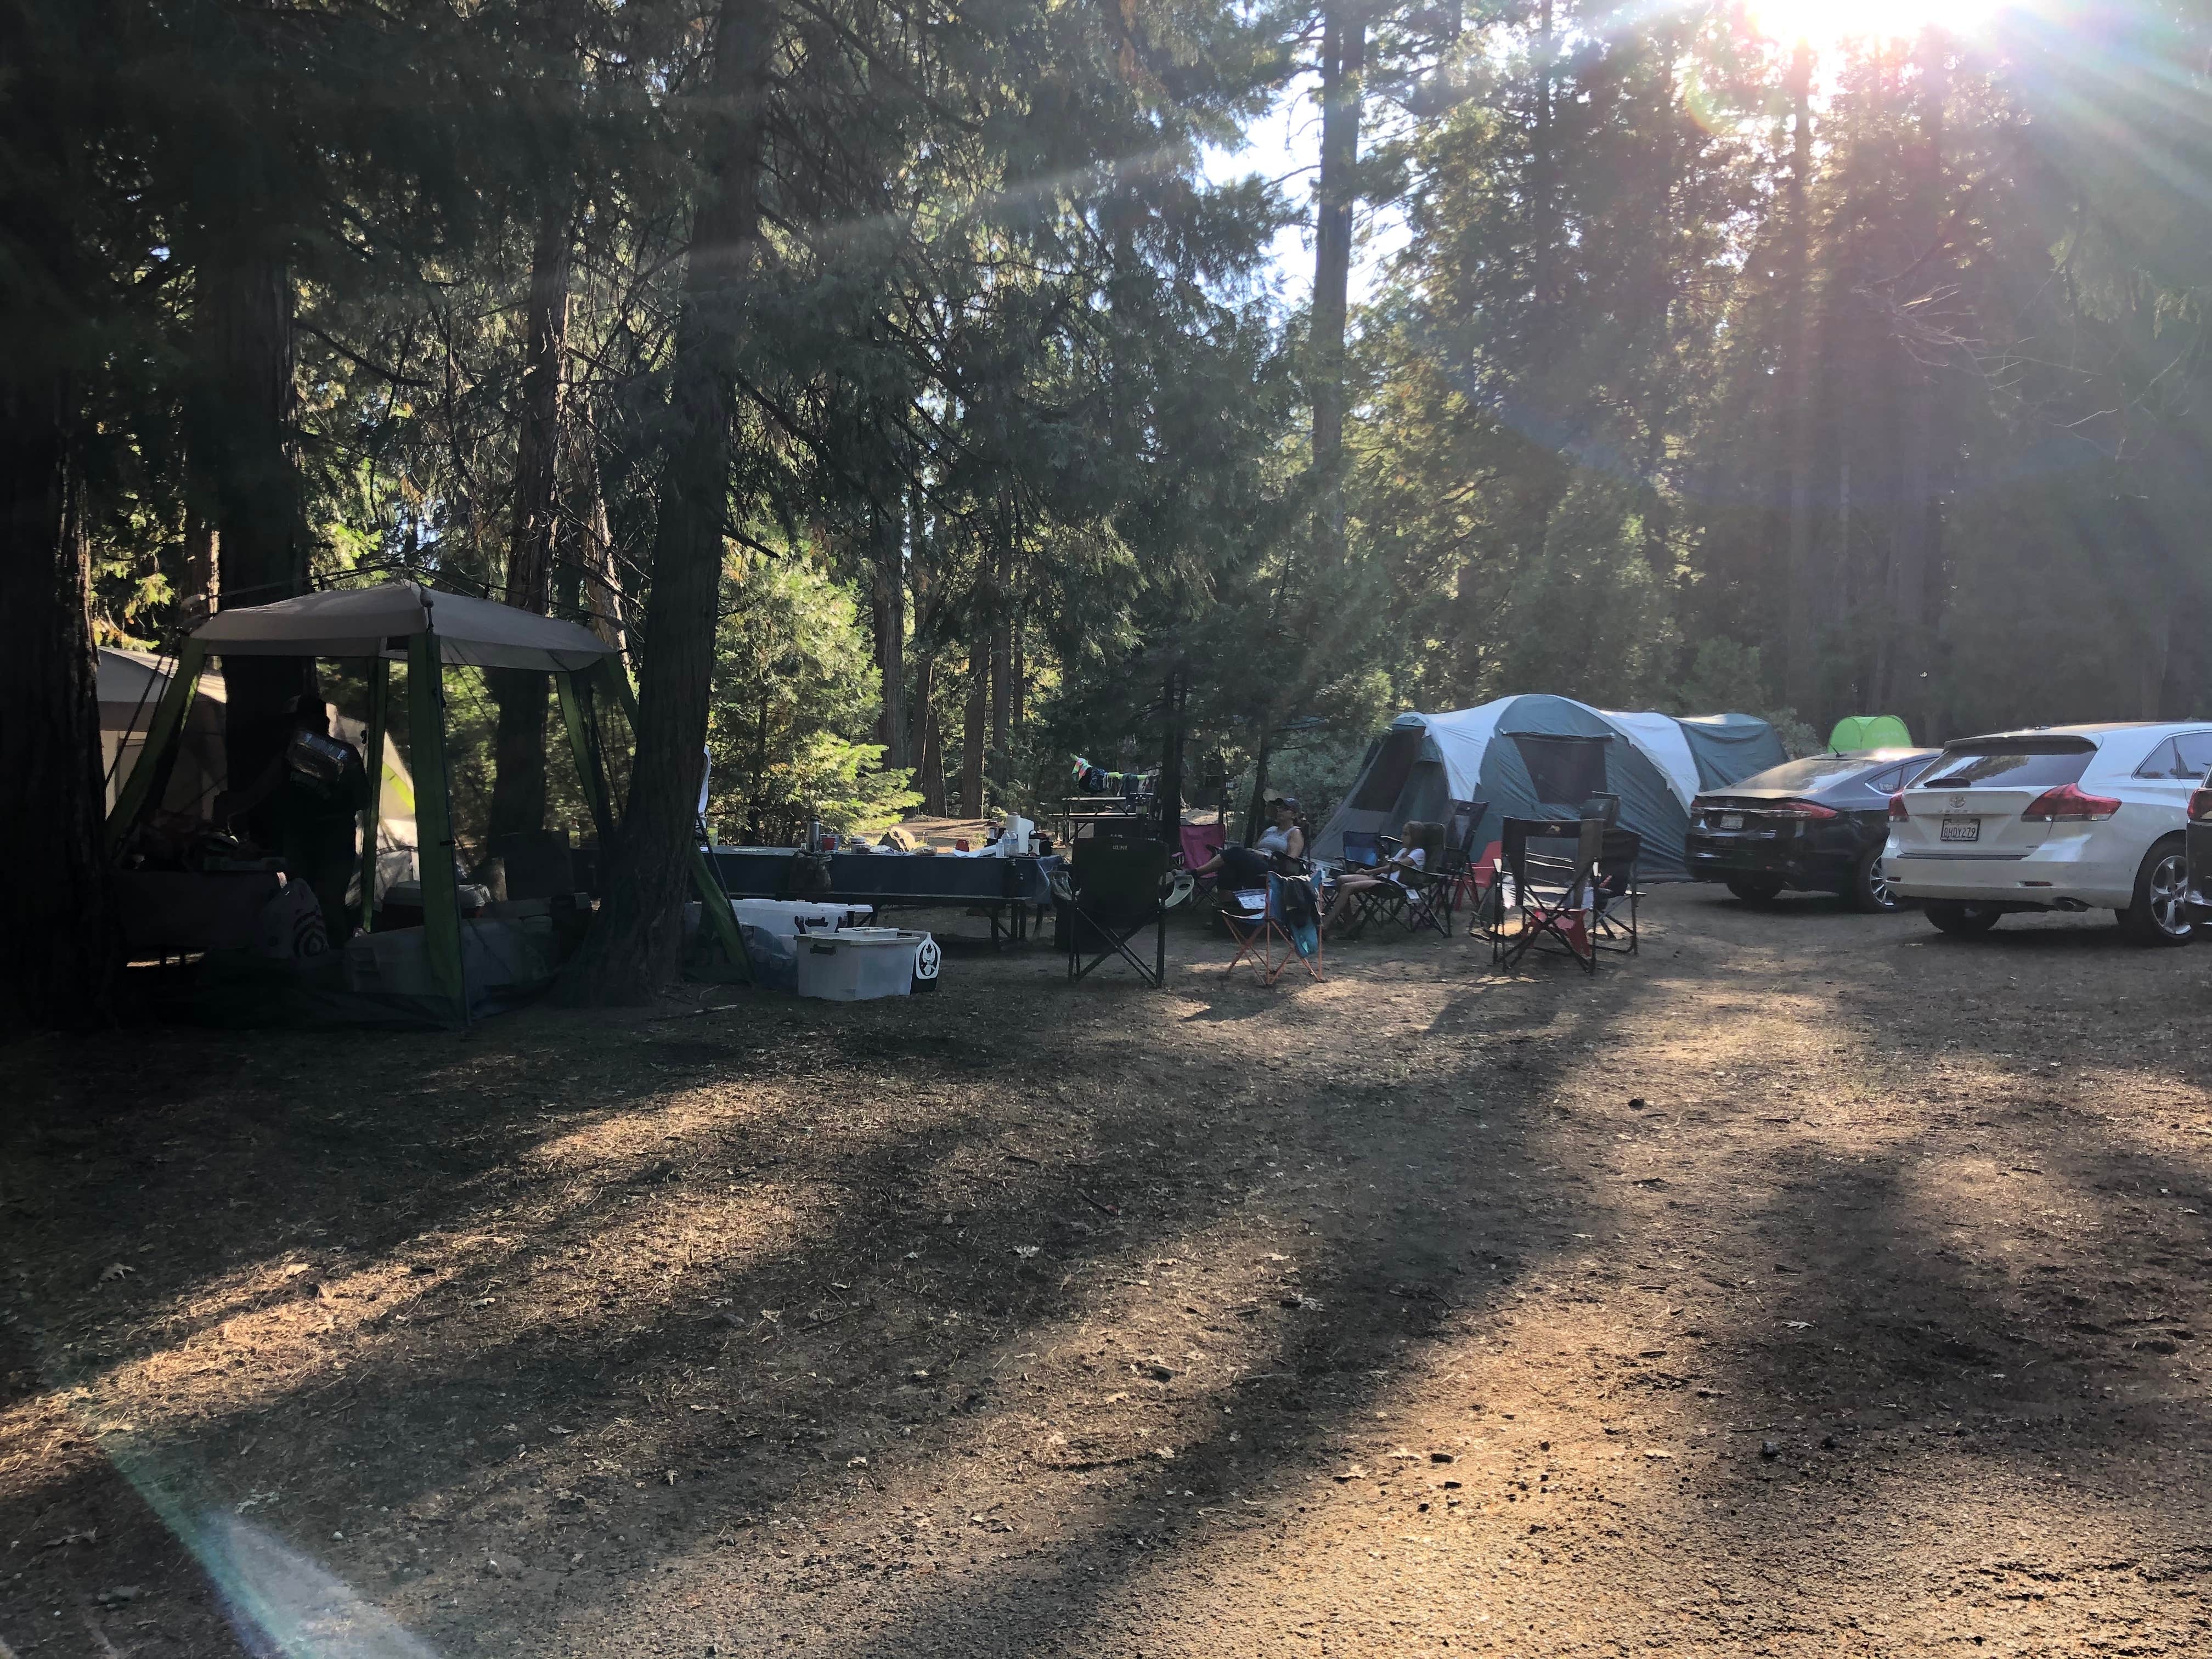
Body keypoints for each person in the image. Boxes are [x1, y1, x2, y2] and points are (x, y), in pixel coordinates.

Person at [1324, 819, 1427, 933]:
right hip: (1381, 879)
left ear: (1415, 837)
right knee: (1341, 879)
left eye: (1406, 834)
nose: (1402, 837)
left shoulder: (1419, 852)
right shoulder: (1403, 851)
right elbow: (1389, 866)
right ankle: (1349, 923)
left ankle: (1325, 926)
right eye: (1403, 833)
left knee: (1347, 887)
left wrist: (1368, 872)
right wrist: (1377, 866)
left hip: (1394, 885)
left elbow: (1394, 867)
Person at [1190, 795, 1305, 890]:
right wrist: (1254, 854)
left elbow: (1289, 861)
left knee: (1236, 851)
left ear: (1294, 815)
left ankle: (1195, 873)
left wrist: (1265, 857)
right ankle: (1226, 908)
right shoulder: (1270, 830)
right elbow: (1256, 849)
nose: (1280, 810)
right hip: (1257, 863)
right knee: (1227, 869)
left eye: (1285, 809)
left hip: (1274, 869)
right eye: (1280, 808)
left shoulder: (1295, 833)